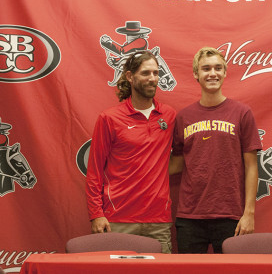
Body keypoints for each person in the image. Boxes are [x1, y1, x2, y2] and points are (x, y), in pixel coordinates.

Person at [169, 47, 262, 253]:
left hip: (230, 215)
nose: (213, 73)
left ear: (225, 72)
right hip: (190, 216)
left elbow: (252, 167)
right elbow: (177, 163)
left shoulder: (242, 113)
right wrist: (139, 167)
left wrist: (249, 213)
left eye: (218, 68)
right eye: (206, 68)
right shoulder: (183, 117)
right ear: (196, 74)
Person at [86, 50, 176, 253]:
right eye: (145, 73)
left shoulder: (169, 116)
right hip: (118, 219)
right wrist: (96, 214)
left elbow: (182, 158)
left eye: (155, 73)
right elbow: (94, 172)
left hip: (158, 221)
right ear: (130, 76)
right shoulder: (109, 118)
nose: (152, 78)